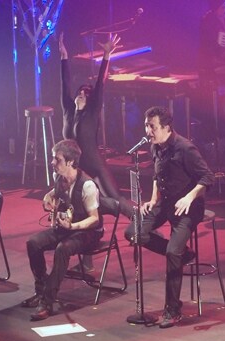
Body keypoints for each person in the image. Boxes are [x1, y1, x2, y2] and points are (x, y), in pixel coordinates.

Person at [124, 106, 215, 328]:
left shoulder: (185, 148)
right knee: (133, 233)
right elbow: (157, 175)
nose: (148, 131)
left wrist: (190, 197)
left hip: (187, 208)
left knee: (173, 252)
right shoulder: (156, 147)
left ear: (166, 127)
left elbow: (207, 176)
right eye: (146, 126)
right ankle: (182, 255)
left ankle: (173, 310)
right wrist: (153, 200)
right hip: (165, 203)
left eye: (152, 126)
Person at [24, 139, 103, 321]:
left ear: (70, 162)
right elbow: (55, 192)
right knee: (33, 243)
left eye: (57, 159)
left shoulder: (87, 185)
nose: (52, 163)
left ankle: (47, 300)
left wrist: (73, 226)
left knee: (62, 249)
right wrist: (48, 196)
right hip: (67, 227)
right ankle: (41, 290)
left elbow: (94, 219)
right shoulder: (59, 178)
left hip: (88, 231)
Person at [59, 32, 133, 219]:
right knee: (76, 202)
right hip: (78, 168)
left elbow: (100, 84)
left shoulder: (91, 114)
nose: (81, 94)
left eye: (85, 93)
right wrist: (64, 57)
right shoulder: (68, 110)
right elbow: (65, 83)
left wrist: (107, 56)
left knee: (116, 199)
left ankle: (142, 225)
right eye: (80, 92)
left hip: (95, 165)